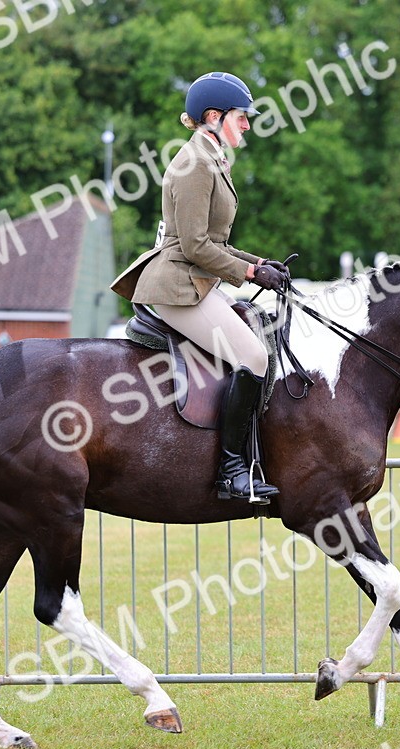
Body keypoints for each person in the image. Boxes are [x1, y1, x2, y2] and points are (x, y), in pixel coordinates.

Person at [111, 71, 288, 503]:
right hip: (175, 284)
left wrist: (261, 264)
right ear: (214, 116)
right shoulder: (193, 165)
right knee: (253, 356)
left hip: (195, 279)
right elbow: (193, 246)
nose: (247, 124)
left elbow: (218, 244)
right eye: (241, 117)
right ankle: (232, 473)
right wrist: (247, 275)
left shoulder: (211, 158)